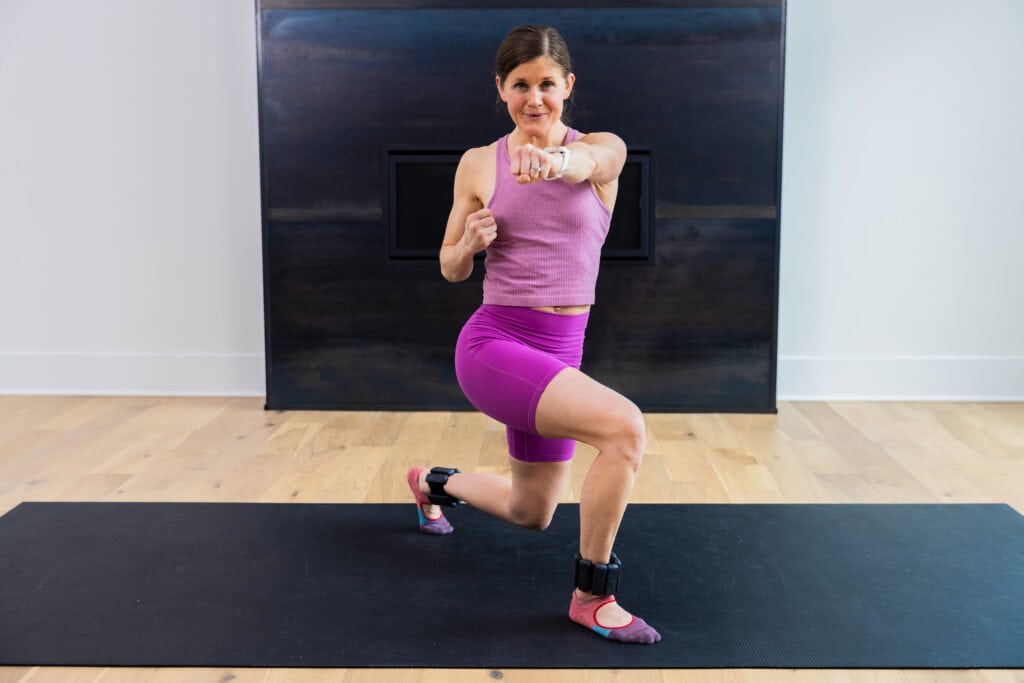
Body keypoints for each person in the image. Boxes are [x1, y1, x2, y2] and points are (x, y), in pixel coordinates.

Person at [406, 24, 661, 645]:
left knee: (531, 512)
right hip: (494, 345)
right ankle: (594, 594)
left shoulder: (601, 151)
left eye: (547, 83)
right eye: (520, 85)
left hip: (559, 353)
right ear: (502, 88)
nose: (535, 99)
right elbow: (449, 266)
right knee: (625, 429)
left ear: (567, 86)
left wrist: (554, 160)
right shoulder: (477, 163)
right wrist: (467, 243)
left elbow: (590, 161)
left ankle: (431, 482)